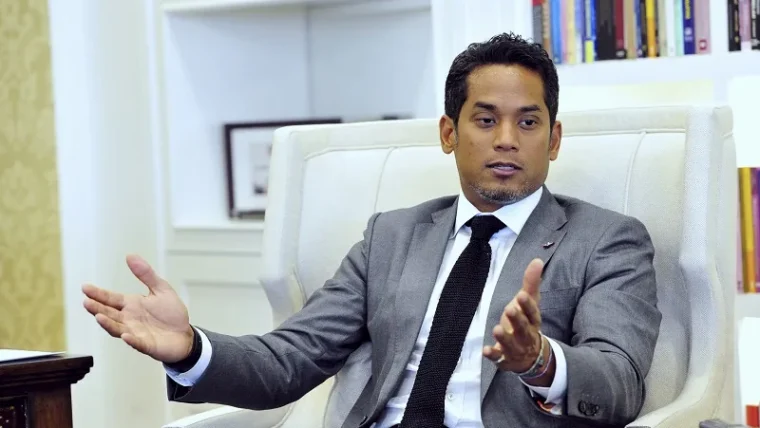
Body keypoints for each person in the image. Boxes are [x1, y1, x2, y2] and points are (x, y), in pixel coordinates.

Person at [82, 32, 661, 428]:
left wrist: (541, 361)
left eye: (528, 122)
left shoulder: (607, 240)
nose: (507, 139)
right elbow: (289, 359)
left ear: (553, 139)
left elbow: (620, 383)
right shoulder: (392, 237)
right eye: (485, 120)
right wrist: (191, 348)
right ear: (449, 133)